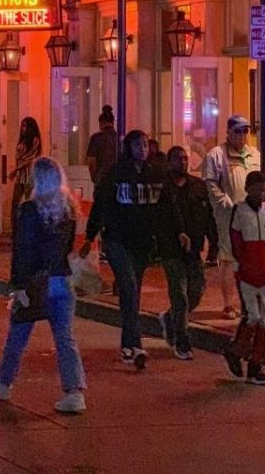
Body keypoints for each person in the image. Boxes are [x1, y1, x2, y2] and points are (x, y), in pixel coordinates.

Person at [0, 157, 87, 413]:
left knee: (19, 332)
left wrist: (18, 283)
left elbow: (23, 249)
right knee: (64, 337)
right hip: (61, 278)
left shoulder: (30, 210)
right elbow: (67, 247)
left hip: (35, 280)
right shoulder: (67, 209)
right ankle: (74, 391)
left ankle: (4, 379)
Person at [85, 129, 164, 370]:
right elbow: (101, 205)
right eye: (138, 145)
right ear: (128, 147)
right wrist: (90, 236)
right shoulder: (117, 174)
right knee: (128, 286)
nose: (143, 149)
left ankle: (127, 344)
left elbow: (162, 209)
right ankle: (136, 345)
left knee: (133, 292)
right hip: (117, 239)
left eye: (145, 145)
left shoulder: (153, 174)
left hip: (141, 242)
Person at [157, 145, 216, 360]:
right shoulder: (163, 189)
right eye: (178, 158)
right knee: (179, 295)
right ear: (169, 162)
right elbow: (160, 219)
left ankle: (170, 317)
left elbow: (207, 216)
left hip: (193, 249)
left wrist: (213, 243)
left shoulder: (198, 186)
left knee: (196, 291)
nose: (183, 162)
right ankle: (182, 342)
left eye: (185, 158)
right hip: (171, 249)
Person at [221, 170, 265, 386]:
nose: (261, 193)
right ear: (247, 189)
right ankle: (236, 350)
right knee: (252, 316)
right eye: (257, 189)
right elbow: (236, 241)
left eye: (264, 189)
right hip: (246, 273)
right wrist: (244, 265)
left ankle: (256, 365)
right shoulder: (240, 210)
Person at [202, 114, 261, 319]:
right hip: (229, 215)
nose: (242, 135)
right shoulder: (216, 156)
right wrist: (226, 204)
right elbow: (211, 184)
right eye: (237, 131)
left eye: (245, 131)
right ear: (228, 132)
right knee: (228, 258)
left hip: (252, 215)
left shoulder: (255, 155)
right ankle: (228, 304)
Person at [10, 117, 42, 214]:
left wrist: (16, 169)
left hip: (29, 174)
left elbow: (30, 157)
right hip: (21, 175)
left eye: (24, 126)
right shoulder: (23, 141)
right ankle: (15, 222)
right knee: (15, 201)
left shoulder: (35, 140)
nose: (22, 129)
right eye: (21, 126)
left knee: (29, 200)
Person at [85, 105, 119, 188]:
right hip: (117, 177)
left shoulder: (96, 138)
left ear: (100, 122)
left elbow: (91, 161)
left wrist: (94, 177)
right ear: (113, 123)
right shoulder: (119, 138)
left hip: (101, 178)